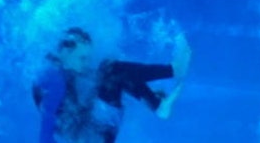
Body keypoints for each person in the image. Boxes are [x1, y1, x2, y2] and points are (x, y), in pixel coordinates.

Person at [34, 25, 189, 142]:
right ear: (65, 52)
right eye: (82, 58)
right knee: (111, 69)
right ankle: (173, 71)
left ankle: (156, 103)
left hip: (91, 129)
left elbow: (104, 80)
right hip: (91, 135)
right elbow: (48, 122)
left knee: (109, 71)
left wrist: (145, 92)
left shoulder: (63, 68)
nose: (86, 62)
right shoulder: (52, 79)